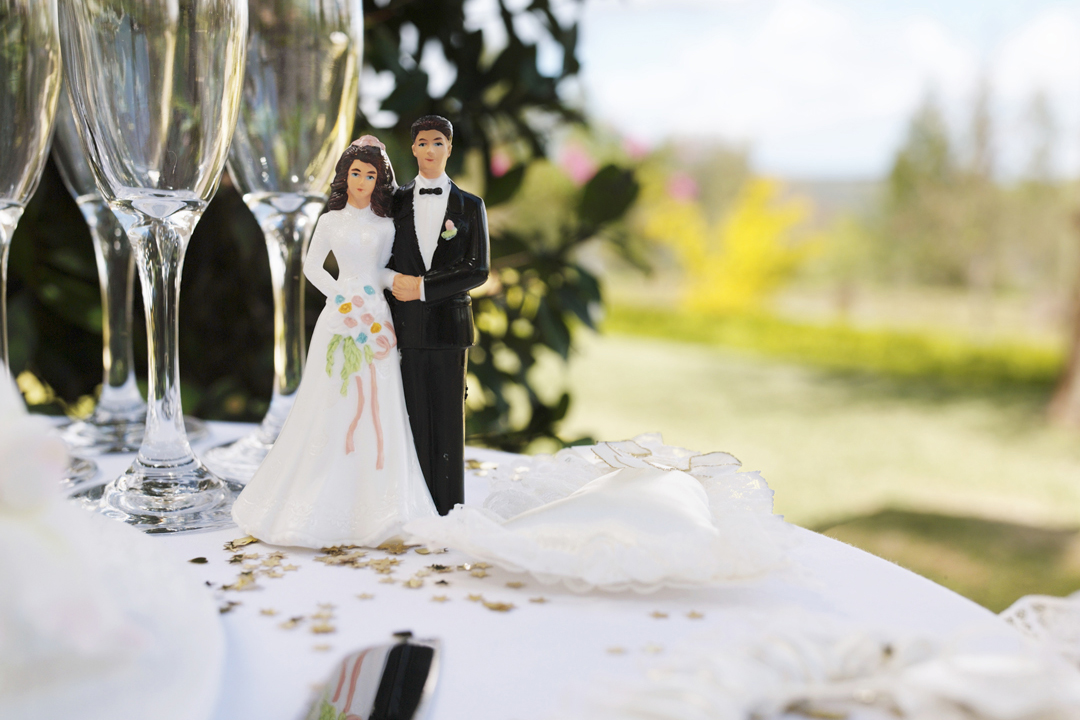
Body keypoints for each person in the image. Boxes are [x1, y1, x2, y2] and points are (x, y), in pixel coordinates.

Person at [231, 137, 437, 548]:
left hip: (375, 316)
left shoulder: (385, 226)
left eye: (370, 175)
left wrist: (384, 284)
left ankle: (379, 500)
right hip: (340, 315)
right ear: (346, 177)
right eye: (356, 173)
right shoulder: (330, 221)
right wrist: (340, 296)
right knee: (329, 397)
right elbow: (311, 267)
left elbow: (382, 270)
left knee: (379, 398)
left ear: (379, 181)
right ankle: (314, 495)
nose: (362, 181)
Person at [387, 116, 490, 516]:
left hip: (450, 328)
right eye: (423, 143)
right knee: (412, 416)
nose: (430, 151)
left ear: (450, 148)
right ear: (413, 148)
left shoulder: (470, 206)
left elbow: (477, 269)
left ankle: (448, 508)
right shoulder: (393, 203)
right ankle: (414, 506)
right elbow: (379, 254)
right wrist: (393, 282)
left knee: (449, 419)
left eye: (438, 143)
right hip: (406, 327)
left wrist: (424, 287)